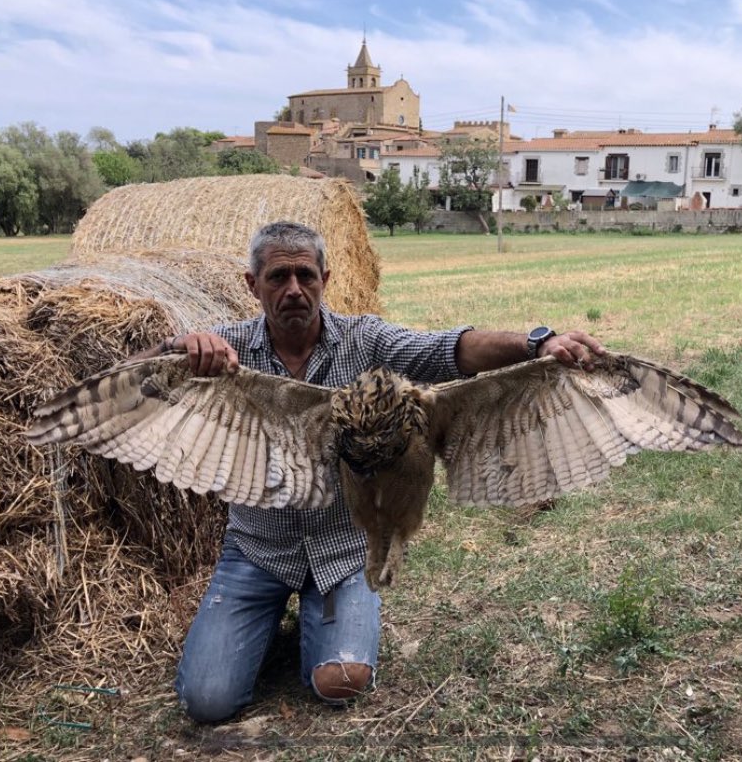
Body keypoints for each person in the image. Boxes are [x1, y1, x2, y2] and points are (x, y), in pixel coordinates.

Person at [153, 221, 604, 722]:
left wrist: (536, 342)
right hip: (258, 550)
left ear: (326, 277)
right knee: (207, 702)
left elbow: (447, 350)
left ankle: (326, 621)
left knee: (339, 683)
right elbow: (137, 382)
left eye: (306, 275)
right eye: (278, 277)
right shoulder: (227, 352)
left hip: (343, 551)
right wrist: (177, 349)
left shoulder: (367, 340)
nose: (294, 290)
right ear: (251, 283)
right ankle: (267, 622)